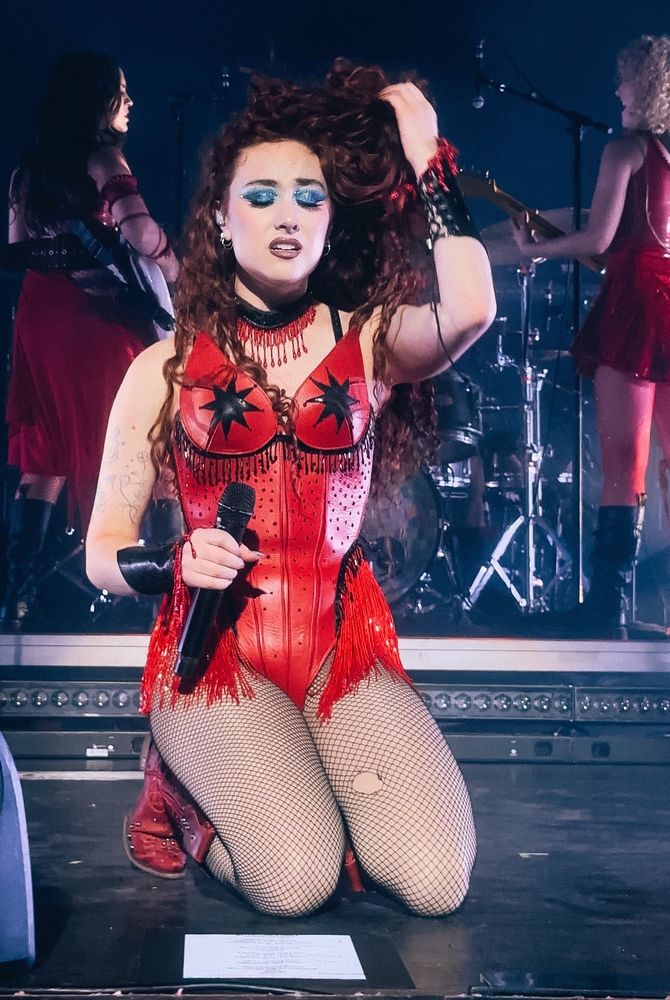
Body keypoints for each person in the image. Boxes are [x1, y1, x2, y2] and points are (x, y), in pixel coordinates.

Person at [86, 63, 495, 917]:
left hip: (340, 653)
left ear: (331, 222)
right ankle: (180, 800)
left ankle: (304, 776)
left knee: (434, 882)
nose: (288, 215)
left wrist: (430, 159)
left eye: (310, 199)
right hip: (214, 660)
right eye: (263, 195)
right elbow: (100, 553)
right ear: (220, 217)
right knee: (297, 881)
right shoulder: (161, 367)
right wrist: (174, 560)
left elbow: (470, 310)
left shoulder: (371, 341)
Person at [1, 51, 179, 629]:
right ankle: (170, 602)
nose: (130, 101)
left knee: (45, 450)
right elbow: (141, 232)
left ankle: (16, 599)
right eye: (120, 91)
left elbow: (18, 249)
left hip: (41, 312)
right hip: (95, 316)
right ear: (94, 100)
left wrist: (66, 261)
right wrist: (171, 259)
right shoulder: (104, 158)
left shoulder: (28, 172)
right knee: (149, 433)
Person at [513, 35, 670, 638]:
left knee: (623, 466)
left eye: (626, 80)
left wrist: (534, 248)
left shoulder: (624, 151)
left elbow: (599, 240)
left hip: (635, 307)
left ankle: (609, 610)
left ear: (646, 87)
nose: (617, 90)